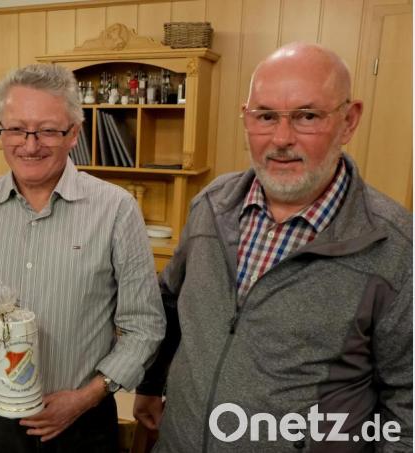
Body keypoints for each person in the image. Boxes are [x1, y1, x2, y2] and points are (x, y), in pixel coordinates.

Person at [133, 42, 412, 452]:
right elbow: (172, 303)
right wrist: (151, 382)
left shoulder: (394, 245)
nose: (281, 138)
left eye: (307, 116)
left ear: (349, 121)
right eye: (265, 116)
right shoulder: (212, 205)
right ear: (245, 118)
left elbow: (406, 403)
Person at [0, 63, 165, 452]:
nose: (30, 144)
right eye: (17, 129)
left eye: (48, 130)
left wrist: (88, 396)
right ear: (0, 130)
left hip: (82, 421)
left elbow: (145, 326)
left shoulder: (115, 209)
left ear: (74, 132)